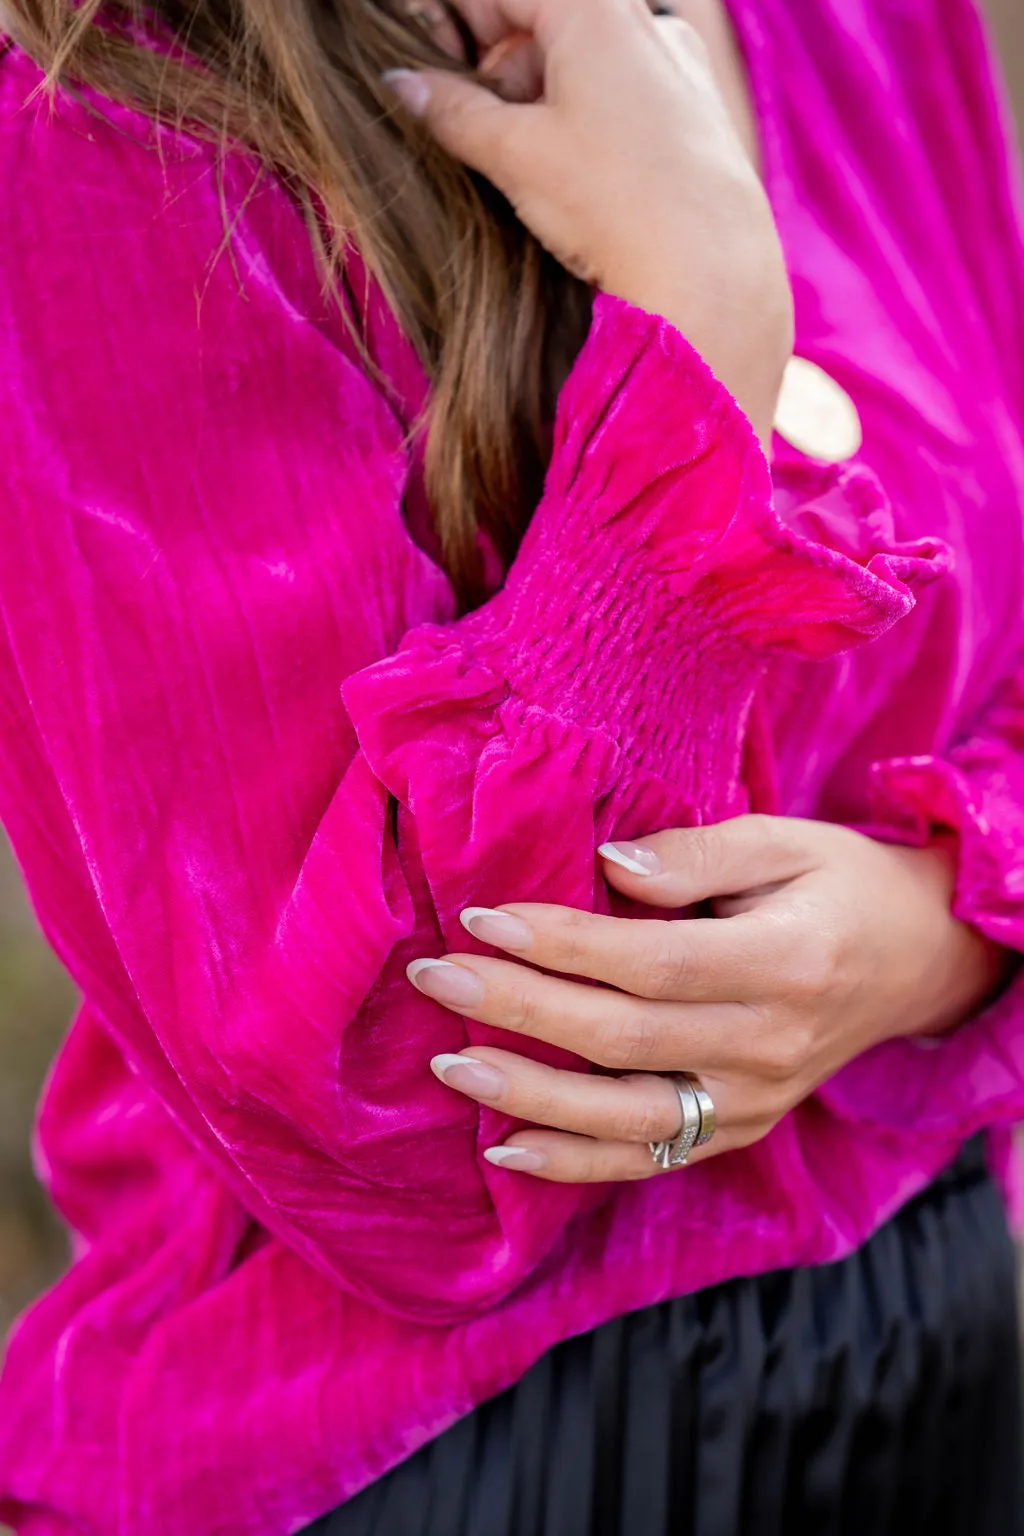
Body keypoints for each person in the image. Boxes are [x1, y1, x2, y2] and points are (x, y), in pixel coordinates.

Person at [0, 0, 1023, 1530]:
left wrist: (936, 935)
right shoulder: (95, 128)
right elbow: (404, 1137)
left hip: (931, 1361)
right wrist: (700, 339)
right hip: (423, 1459)